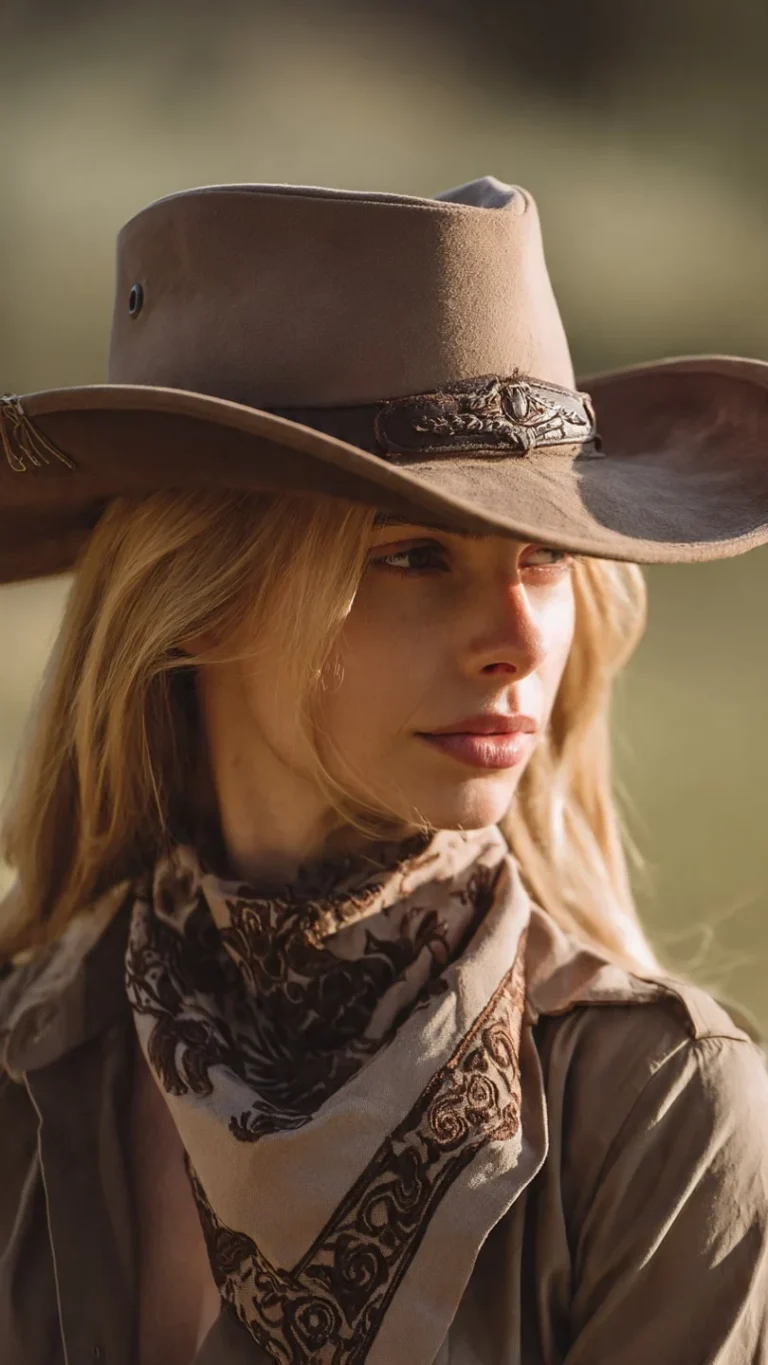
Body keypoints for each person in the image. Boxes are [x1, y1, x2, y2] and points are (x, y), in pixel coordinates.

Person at [0, 175, 767, 1365]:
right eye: (415, 556)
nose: (518, 639)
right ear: (199, 603)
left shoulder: (661, 1110)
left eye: (543, 559)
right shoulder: (26, 1063)